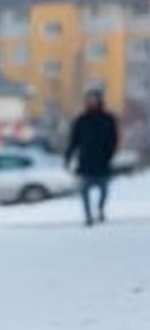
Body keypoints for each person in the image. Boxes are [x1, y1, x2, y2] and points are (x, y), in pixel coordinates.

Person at [66, 88, 119, 226]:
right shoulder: (82, 120)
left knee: (104, 190)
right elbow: (74, 141)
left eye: (95, 100)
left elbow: (114, 140)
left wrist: (109, 155)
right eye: (90, 100)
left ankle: (100, 209)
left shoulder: (108, 119)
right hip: (86, 162)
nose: (92, 103)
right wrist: (68, 157)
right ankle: (88, 217)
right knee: (84, 191)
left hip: (102, 162)